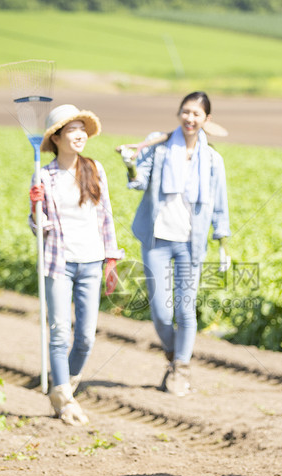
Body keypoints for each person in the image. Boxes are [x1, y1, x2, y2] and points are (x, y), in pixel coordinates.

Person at [119, 92, 231, 396]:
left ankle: (181, 367)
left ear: (206, 119)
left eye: (196, 114)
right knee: (160, 311)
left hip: (190, 244)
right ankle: (173, 354)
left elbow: (219, 205)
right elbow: (138, 181)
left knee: (185, 310)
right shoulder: (160, 147)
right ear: (179, 113)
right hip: (157, 238)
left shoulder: (212, 160)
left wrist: (223, 245)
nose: (189, 118)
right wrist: (130, 164)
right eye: (185, 112)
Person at [29, 104, 123, 426]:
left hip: (91, 262)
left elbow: (106, 217)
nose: (80, 134)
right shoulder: (45, 175)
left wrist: (111, 259)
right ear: (56, 137)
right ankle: (65, 399)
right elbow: (40, 229)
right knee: (59, 333)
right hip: (59, 262)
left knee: (85, 337)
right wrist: (34, 208)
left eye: (82, 129)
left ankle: (64, 388)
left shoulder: (95, 169)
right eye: (72, 129)